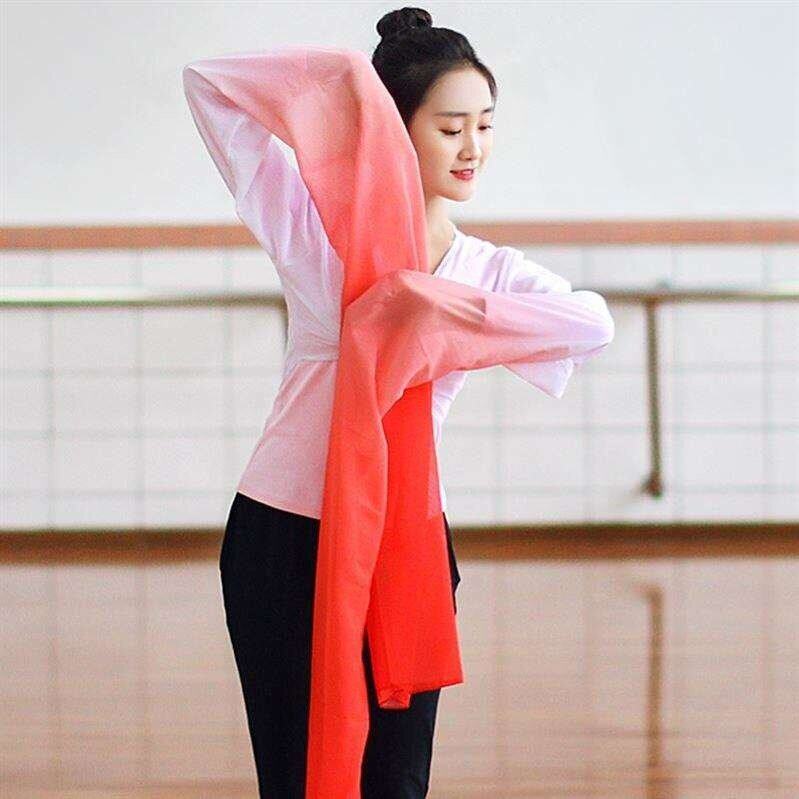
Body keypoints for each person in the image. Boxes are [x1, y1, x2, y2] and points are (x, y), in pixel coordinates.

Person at [183, 7, 611, 797]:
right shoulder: (316, 234)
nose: (473, 147)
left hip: (405, 543)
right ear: (392, 129)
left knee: (395, 778)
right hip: (285, 535)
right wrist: (343, 81)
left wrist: (431, 307)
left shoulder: (484, 270)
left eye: (484, 124)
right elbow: (209, 85)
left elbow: (592, 323)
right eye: (449, 128)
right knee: (296, 774)